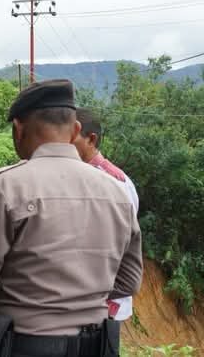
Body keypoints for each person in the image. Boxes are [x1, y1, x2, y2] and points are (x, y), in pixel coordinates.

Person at [0, 80, 142, 355]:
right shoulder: (116, 191)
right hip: (97, 346)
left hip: (23, 346)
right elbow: (128, 282)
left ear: (18, 130)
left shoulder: (6, 186)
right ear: (75, 129)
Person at [74, 107, 140, 322]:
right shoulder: (82, 177)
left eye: (70, 141)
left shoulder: (113, 182)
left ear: (91, 139)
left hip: (104, 301)